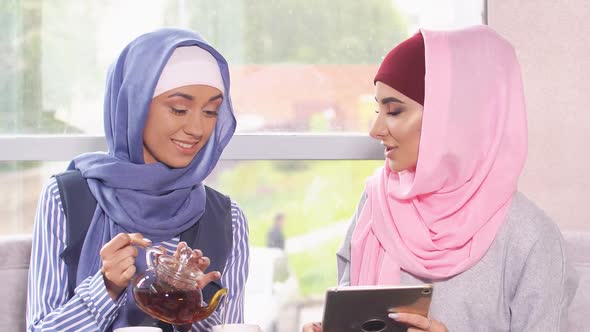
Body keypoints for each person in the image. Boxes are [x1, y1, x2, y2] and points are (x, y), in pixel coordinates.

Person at [303, 25, 578, 331]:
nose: (375, 129)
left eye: (394, 111)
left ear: (450, 116)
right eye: (377, 109)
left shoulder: (531, 238)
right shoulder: (375, 205)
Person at [26, 28, 249, 331]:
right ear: (136, 103)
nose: (197, 128)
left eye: (211, 111)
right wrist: (105, 288)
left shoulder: (227, 218)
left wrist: (189, 302)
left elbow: (232, 327)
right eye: (179, 109)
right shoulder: (67, 197)